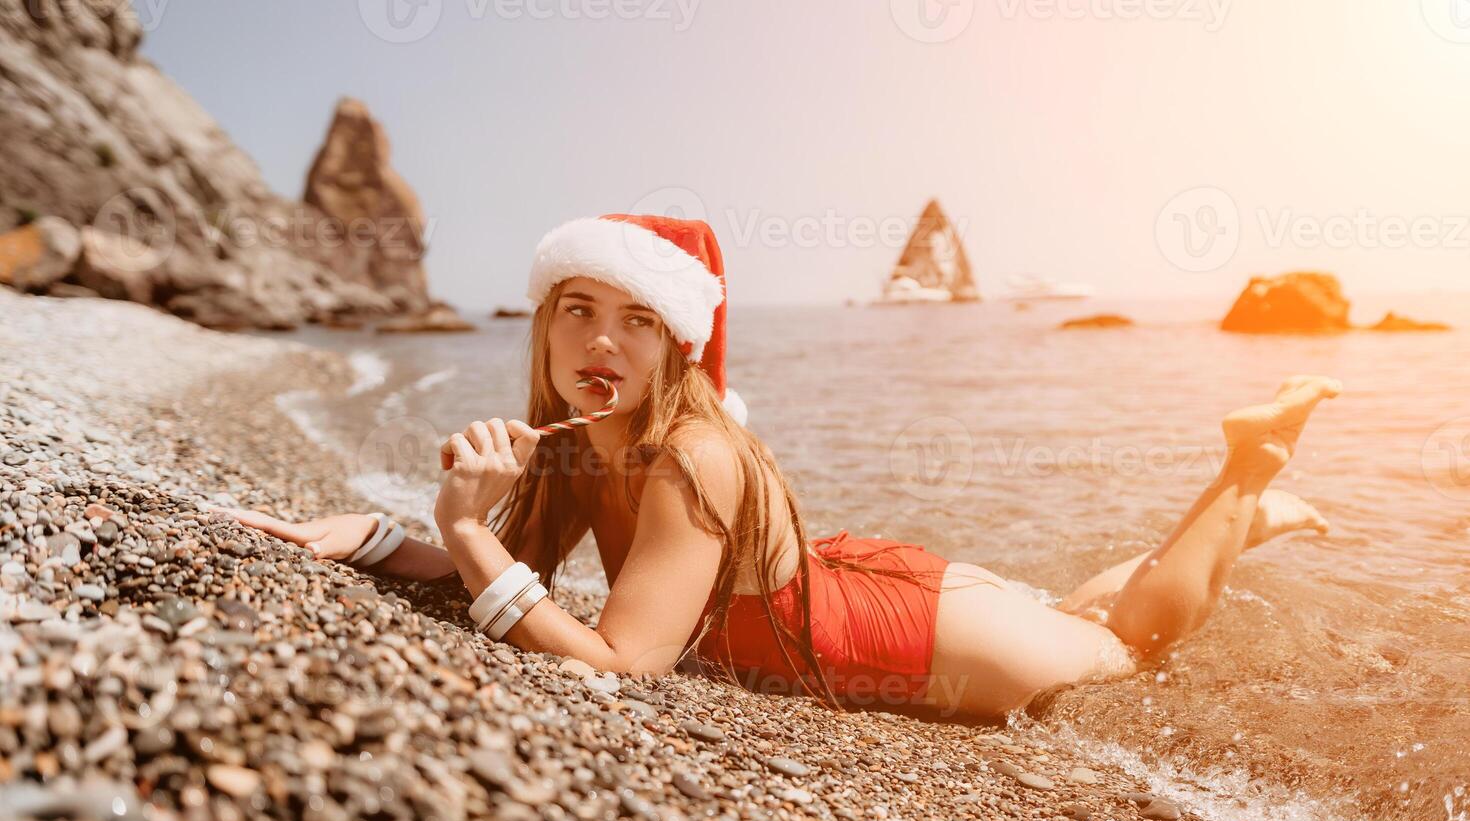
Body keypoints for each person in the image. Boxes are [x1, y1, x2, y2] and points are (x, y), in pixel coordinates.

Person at [222, 213, 1341, 721]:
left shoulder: (689, 460)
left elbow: (619, 664)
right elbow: (511, 576)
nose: (600, 342)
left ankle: (1244, 473)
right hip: (854, 585)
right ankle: (1239, 510)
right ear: (543, 329)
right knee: (1077, 606)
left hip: (919, 642)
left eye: (638, 321)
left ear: (680, 343)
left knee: (1134, 643)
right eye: (577, 310)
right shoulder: (579, 445)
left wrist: (461, 537)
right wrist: (372, 539)